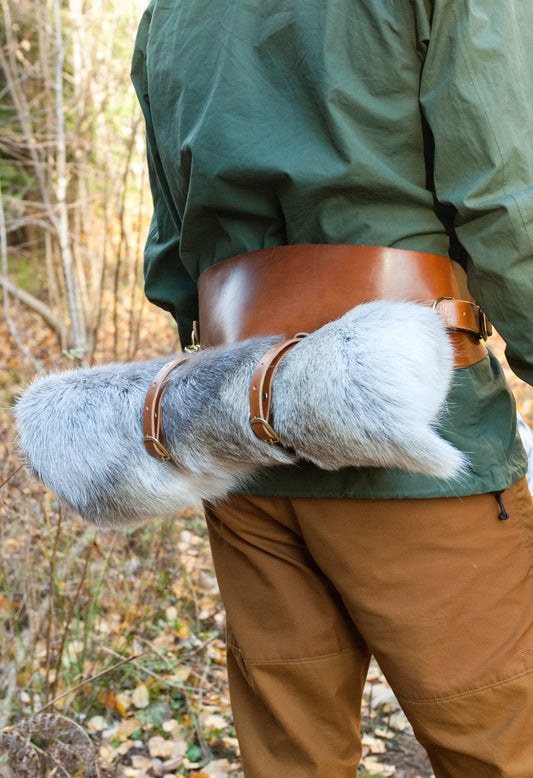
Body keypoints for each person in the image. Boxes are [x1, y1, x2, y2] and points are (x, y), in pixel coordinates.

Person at [131, 2, 533, 775]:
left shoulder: (169, 14)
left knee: (289, 753)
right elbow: (502, 199)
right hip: (414, 432)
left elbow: (171, 252)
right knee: (502, 742)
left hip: (241, 425)